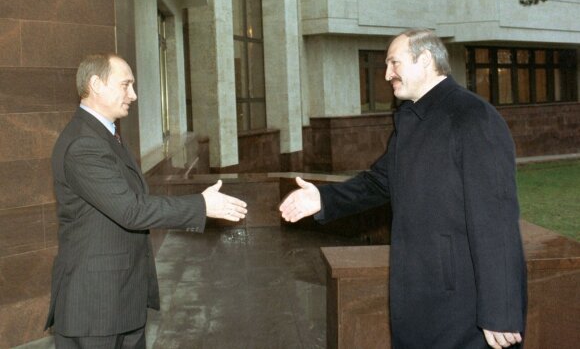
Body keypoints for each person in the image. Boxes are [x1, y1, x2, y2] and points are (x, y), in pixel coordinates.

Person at [280, 29, 527, 349]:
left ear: (425, 60)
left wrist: (501, 309)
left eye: (394, 63)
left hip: (462, 301)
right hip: (418, 290)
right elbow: (379, 181)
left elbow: (496, 215)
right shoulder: (412, 118)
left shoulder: (472, 116)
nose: (386, 74)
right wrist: (323, 198)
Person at [45, 53, 248, 348]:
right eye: (126, 85)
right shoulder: (83, 144)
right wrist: (200, 206)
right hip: (95, 307)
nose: (134, 95)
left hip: (121, 299)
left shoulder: (105, 134)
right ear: (96, 85)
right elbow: (131, 210)